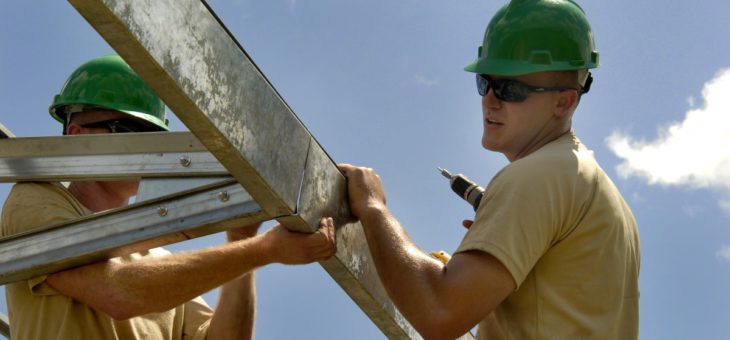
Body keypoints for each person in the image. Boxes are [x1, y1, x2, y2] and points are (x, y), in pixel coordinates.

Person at [338, 0, 640, 338]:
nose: (490, 100)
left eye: (510, 89)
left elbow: (439, 313)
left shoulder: (537, 176)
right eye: (486, 83)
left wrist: (374, 209)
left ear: (563, 101)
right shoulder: (593, 188)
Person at [1, 55, 337, 340]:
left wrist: (239, 241)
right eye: (130, 132)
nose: (148, 150)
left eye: (154, 137)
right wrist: (262, 251)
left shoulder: (156, 258)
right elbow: (117, 292)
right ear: (76, 136)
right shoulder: (36, 200)